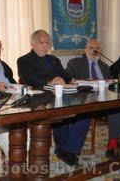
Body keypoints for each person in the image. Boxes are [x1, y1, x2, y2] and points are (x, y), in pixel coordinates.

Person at [17, 29, 85, 167]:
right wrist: (50, 81)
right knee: (60, 112)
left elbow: (65, 75)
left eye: (47, 43)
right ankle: (63, 150)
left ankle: (67, 149)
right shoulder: (24, 60)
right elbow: (28, 77)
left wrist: (71, 79)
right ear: (33, 44)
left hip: (62, 94)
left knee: (85, 113)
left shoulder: (53, 59)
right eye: (41, 42)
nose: (45, 46)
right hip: (40, 98)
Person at [66, 39, 120, 159]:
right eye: (91, 48)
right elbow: (67, 79)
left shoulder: (104, 66)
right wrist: (85, 81)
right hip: (85, 98)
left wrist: (110, 81)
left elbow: (109, 82)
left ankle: (116, 143)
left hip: (104, 97)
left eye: (97, 49)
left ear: (100, 51)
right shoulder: (74, 62)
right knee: (116, 110)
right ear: (85, 49)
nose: (94, 51)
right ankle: (113, 146)